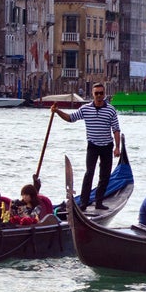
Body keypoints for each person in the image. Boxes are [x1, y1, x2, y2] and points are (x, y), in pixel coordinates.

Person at [52, 83, 120, 211]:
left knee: (104, 176)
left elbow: (116, 129)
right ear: (93, 95)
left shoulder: (111, 110)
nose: (99, 96)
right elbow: (70, 118)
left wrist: (117, 147)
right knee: (89, 173)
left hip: (107, 146)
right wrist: (57, 111)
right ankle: (83, 202)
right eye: (97, 93)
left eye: (101, 93)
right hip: (92, 145)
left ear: (104, 94)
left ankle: (99, 202)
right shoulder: (85, 109)